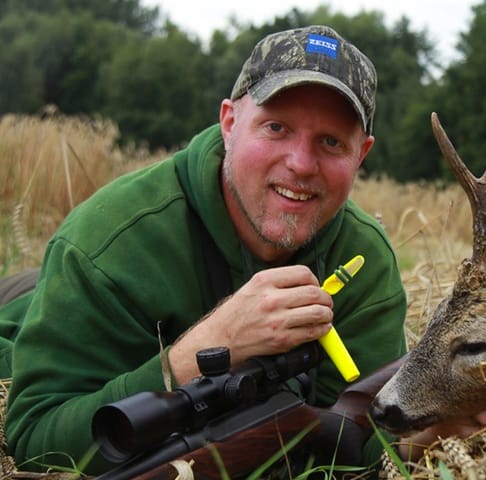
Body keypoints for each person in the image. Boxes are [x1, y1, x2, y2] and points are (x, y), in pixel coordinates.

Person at [0, 25, 409, 475]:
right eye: (276, 127)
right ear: (230, 123)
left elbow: (358, 436)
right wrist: (199, 353)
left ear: (362, 154)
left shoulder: (364, 262)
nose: (300, 164)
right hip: (20, 314)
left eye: (331, 142)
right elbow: (36, 439)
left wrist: (419, 441)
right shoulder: (109, 239)